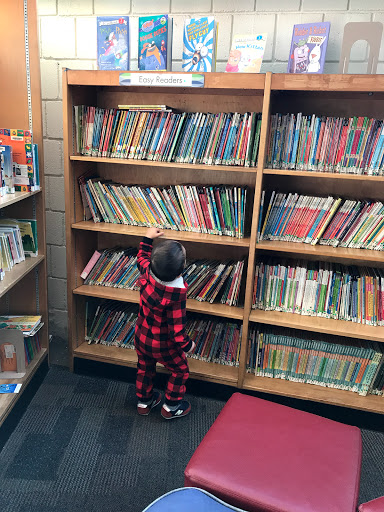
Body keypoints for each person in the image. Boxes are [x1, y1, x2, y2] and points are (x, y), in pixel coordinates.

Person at [134, 227, 195, 419]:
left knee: (145, 368)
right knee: (180, 370)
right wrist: (188, 345)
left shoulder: (148, 271)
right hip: (164, 346)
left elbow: (141, 257)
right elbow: (177, 332)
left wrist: (147, 238)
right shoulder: (176, 296)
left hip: (142, 337)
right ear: (181, 271)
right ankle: (171, 407)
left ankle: (144, 402)